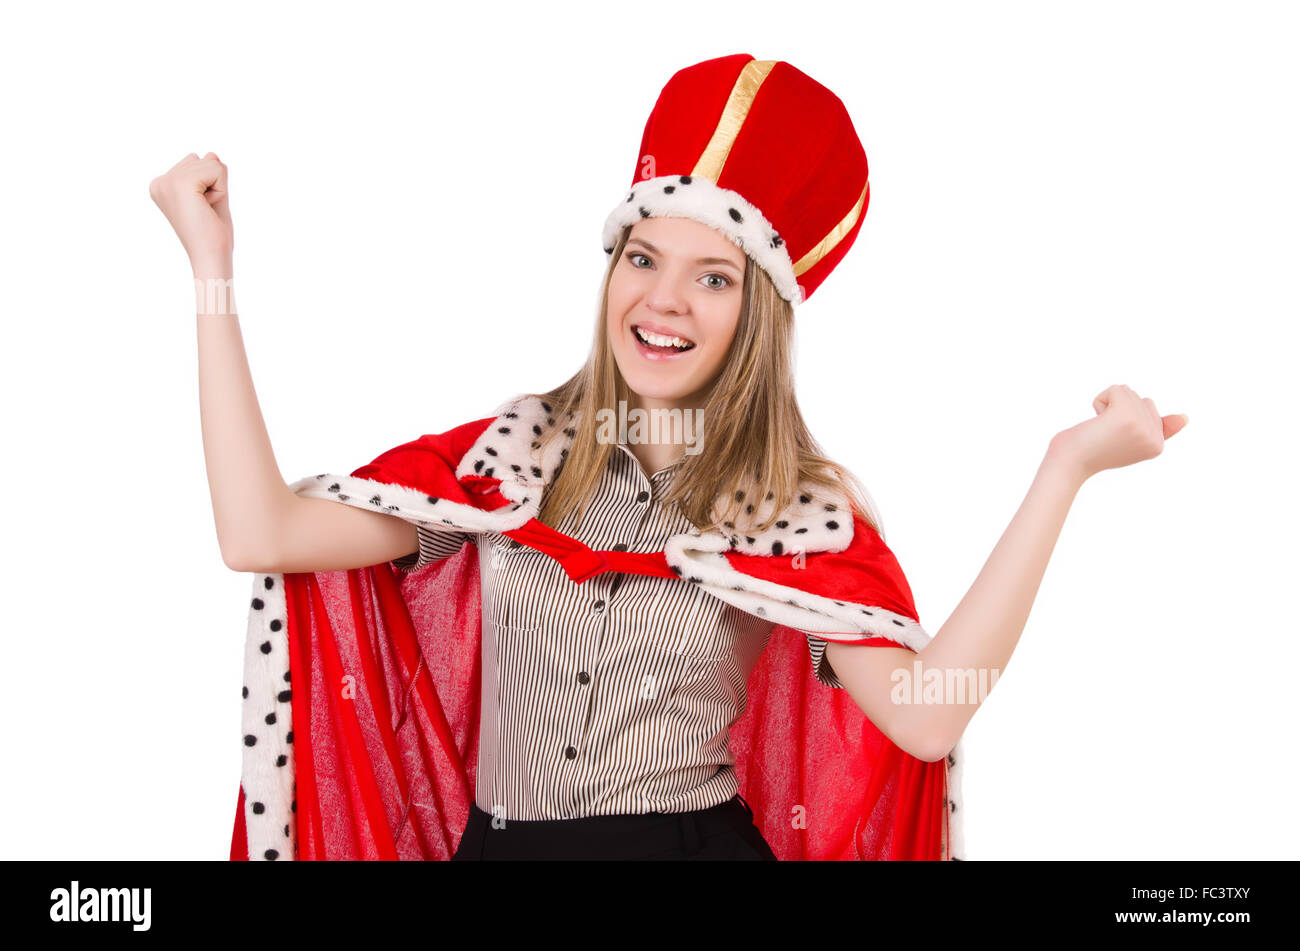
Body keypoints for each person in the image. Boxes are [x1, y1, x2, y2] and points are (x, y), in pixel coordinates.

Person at [149, 54, 1188, 862]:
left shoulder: (792, 510)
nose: (662, 302)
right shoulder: (507, 461)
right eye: (642, 258)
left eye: (713, 278)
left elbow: (925, 718)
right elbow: (262, 533)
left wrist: (1065, 472)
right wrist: (211, 271)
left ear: (759, 315)